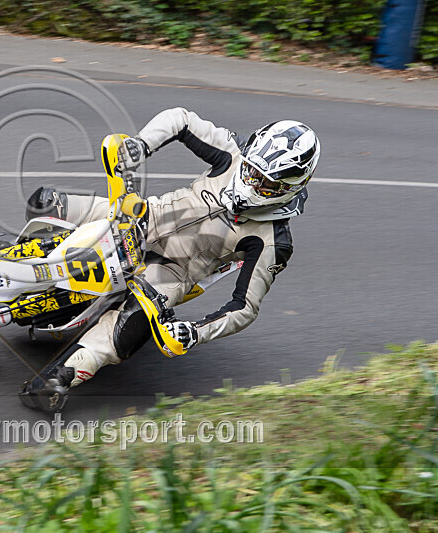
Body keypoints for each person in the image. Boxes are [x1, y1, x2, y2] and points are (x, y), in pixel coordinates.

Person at [20, 107, 320, 412]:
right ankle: (11, 261)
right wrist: (140, 145)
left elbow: (244, 308)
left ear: (288, 188)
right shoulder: (232, 151)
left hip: (171, 271)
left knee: (132, 323)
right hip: (142, 217)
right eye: (251, 171)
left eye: (265, 182)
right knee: (45, 203)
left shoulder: (275, 240)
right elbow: (181, 119)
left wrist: (195, 332)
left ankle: (59, 377)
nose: (252, 182)